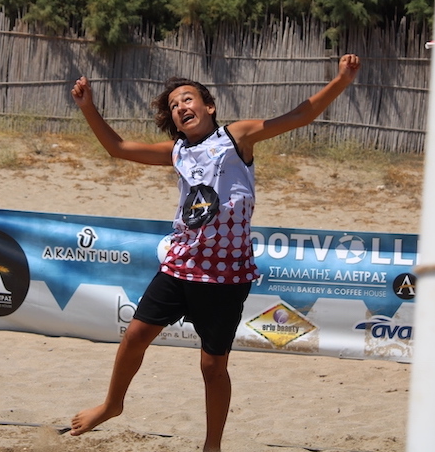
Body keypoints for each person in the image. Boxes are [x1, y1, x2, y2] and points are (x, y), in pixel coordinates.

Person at [68, 54, 361, 452]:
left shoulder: (236, 137)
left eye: (187, 99)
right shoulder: (176, 151)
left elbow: (299, 116)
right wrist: (88, 107)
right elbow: (117, 148)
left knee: (212, 366)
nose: (180, 107)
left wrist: (341, 80)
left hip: (226, 274)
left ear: (209, 106)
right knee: (135, 335)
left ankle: (212, 445)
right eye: (174, 106)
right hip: (181, 263)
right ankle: (111, 404)